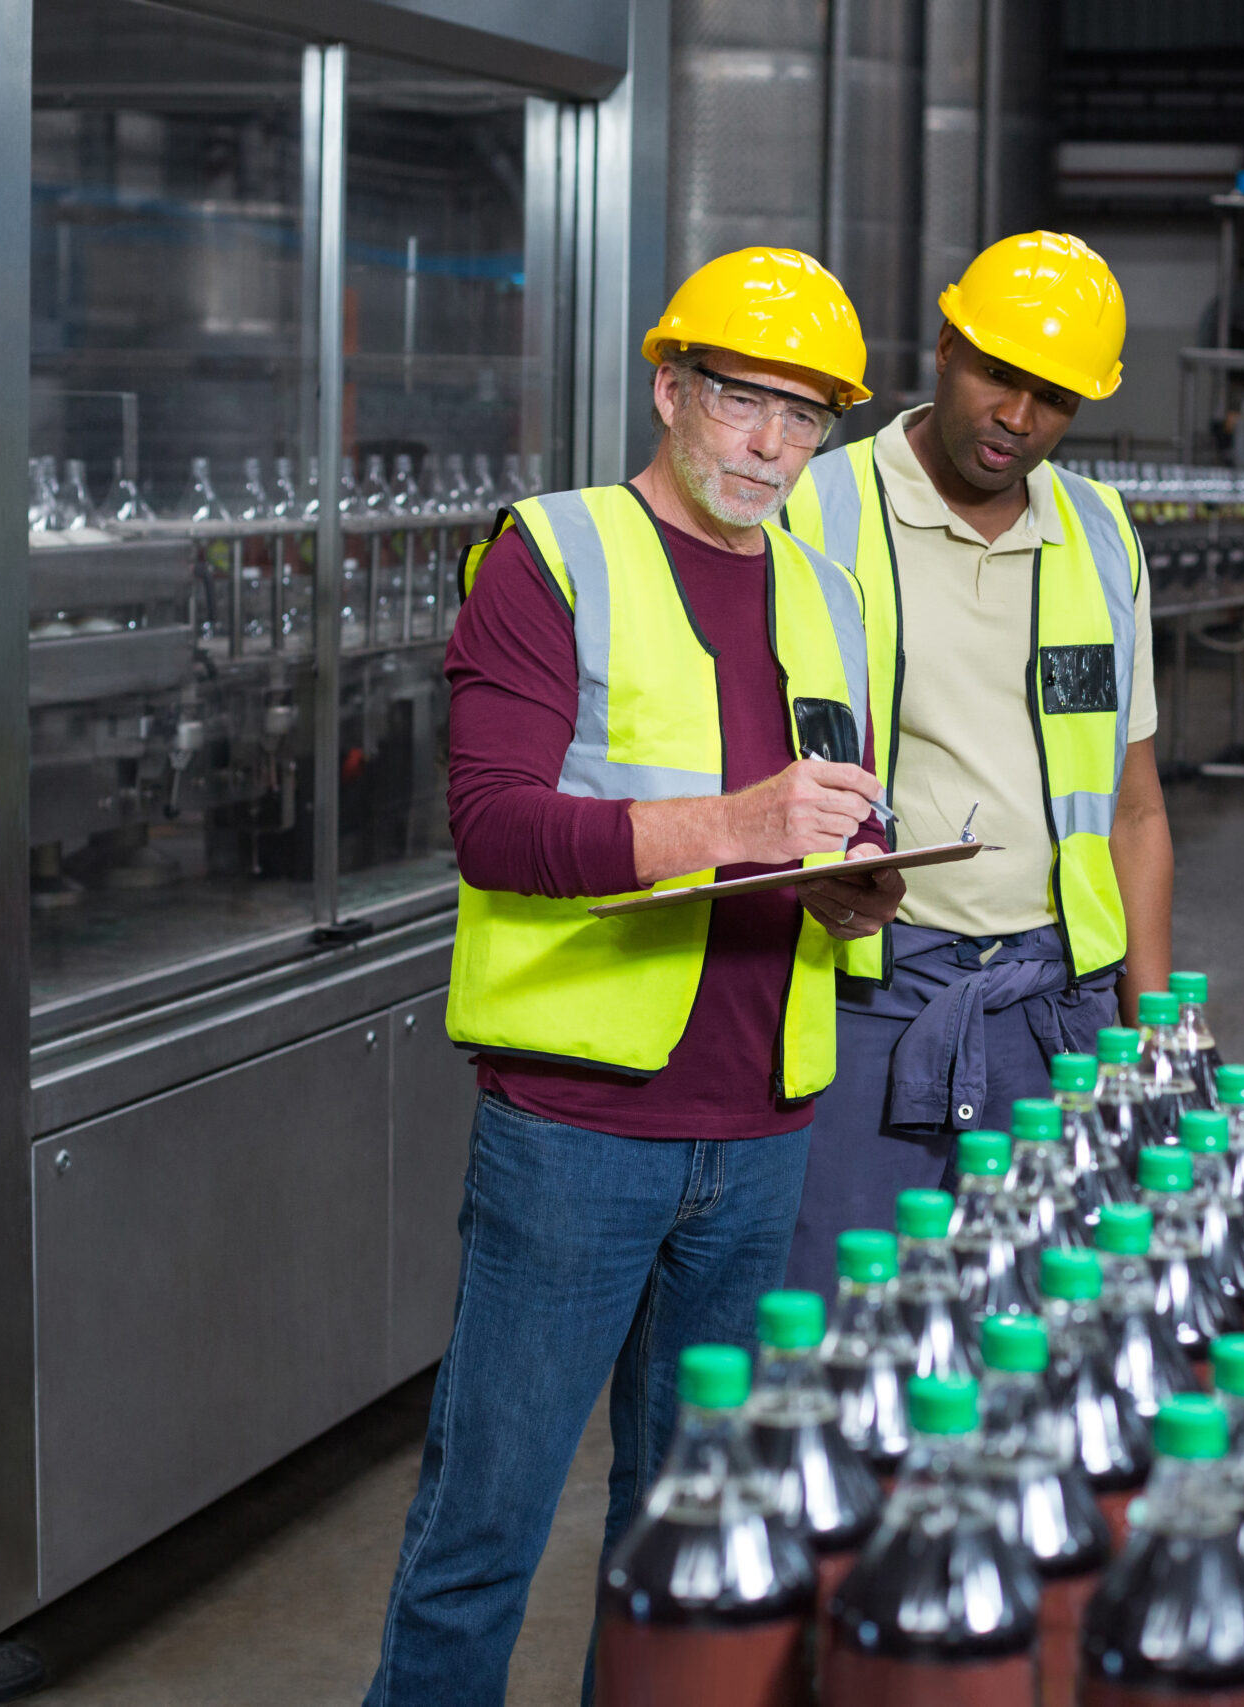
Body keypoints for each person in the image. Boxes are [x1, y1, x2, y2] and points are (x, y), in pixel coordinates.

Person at [364, 247, 905, 1706]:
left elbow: (832, 819)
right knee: (487, 1525)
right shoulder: (554, 553)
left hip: (765, 1125)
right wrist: (739, 825)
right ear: (669, 387)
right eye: (742, 401)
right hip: (579, 1129)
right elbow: (494, 824)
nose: (773, 445)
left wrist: (859, 889)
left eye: (807, 418)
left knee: (686, 1536)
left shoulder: (831, 591)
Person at [778, 230, 1173, 1295]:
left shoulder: (1098, 533)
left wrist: (1152, 1030)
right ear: (947, 346)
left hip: (1058, 1009)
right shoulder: (815, 508)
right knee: (850, 1328)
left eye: (1053, 397)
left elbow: (1133, 810)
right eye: (1000, 375)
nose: (1019, 418)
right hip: (870, 997)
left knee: (1044, 1341)